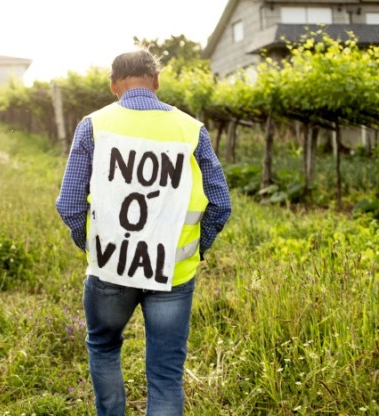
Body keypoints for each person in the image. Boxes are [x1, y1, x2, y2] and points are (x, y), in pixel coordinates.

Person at [56, 48, 231, 416]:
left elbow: (69, 205)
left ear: (113, 85)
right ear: (156, 81)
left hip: (110, 267)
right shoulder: (190, 129)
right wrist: (194, 251)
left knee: (103, 346)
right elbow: (220, 204)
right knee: (166, 375)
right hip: (172, 274)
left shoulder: (93, 126)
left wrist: (94, 248)